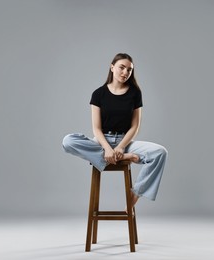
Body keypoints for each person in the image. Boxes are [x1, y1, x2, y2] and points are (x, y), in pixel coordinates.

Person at [62, 53, 167, 208]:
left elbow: (135, 127)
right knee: (68, 141)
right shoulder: (98, 94)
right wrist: (107, 148)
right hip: (102, 140)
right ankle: (124, 157)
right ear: (112, 67)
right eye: (122, 67)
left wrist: (120, 147)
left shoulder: (135, 93)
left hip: (124, 141)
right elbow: (96, 128)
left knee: (160, 152)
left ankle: (136, 193)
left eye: (129, 70)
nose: (125, 72)